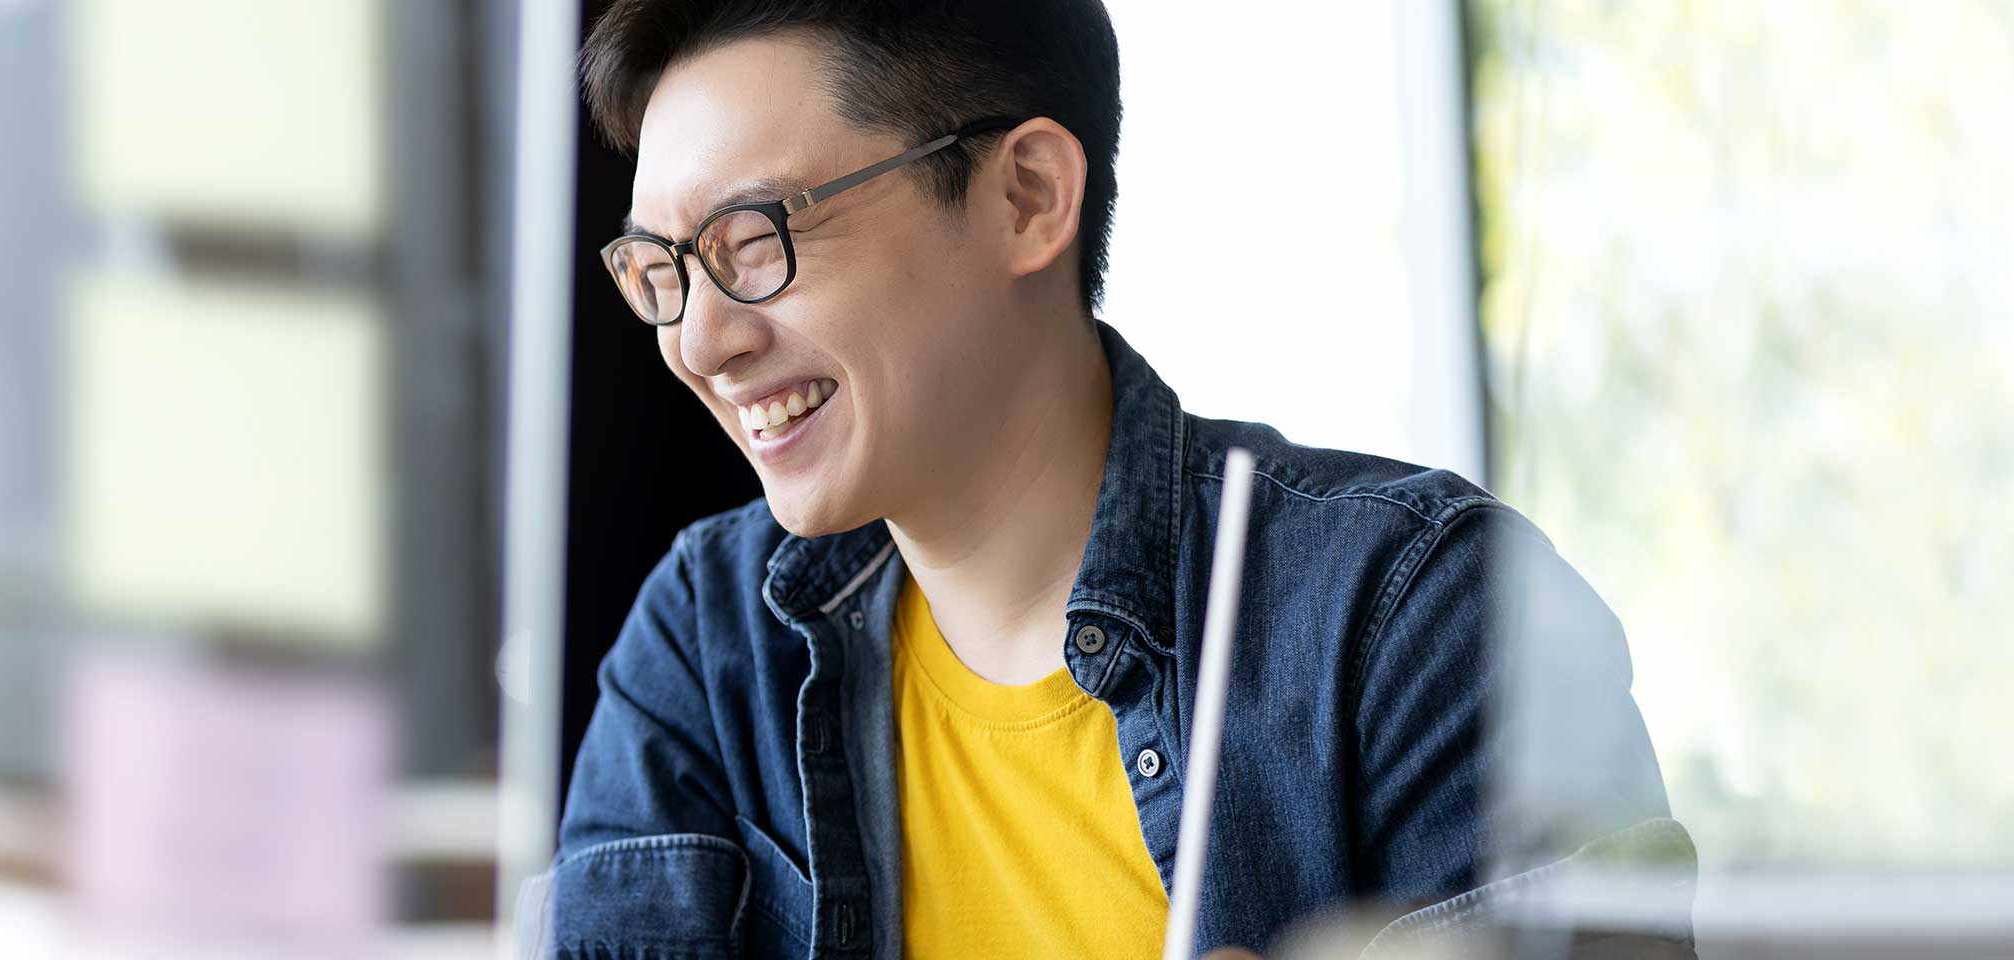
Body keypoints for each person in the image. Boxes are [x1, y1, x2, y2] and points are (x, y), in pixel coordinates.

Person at [544, 2, 1684, 957]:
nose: (698, 342)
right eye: (661, 271)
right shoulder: (706, 643)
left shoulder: (1419, 617)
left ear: (1028, 194)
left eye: (753, 241)